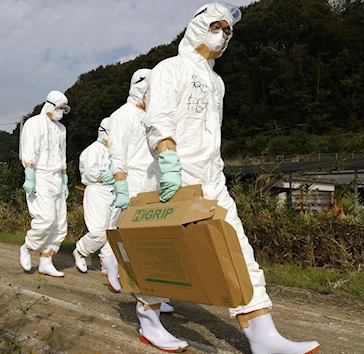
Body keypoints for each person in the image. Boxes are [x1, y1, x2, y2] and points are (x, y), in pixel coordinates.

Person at [142, 2, 320, 353]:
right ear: (197, 26)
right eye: (217, 26)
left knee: (238, 251)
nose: (223, 35)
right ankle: (148, 317)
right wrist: (168, 161)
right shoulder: (169, 69)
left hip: (212, 179)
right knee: (170, 259)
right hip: (176, 177)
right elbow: (157, 118)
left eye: (228, 31)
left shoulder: (217, 82)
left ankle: (262, 335)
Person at [108, 68, 176, 315]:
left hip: (154, 184)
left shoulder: (155, 116)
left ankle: (155, 295)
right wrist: (121, 184)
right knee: (136, 244)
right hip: (135, 184)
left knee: (156, 243)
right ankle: (145, 300)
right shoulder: (122, 116)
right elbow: (118, 152)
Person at [19, 90, 70, 277]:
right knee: (45, 219)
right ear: (49, 105)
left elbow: (62, 154)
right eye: (59, 107)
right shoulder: (33, 123)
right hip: (39, 176)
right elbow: (29, 150)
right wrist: (30, 176)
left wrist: (65, 180)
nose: (61, 111)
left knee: (59, 223)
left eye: (64, 109)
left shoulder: (62, 129)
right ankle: (27, 247)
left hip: (56, 177)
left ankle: (46, 261)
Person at [73, 118, 121, 281]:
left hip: (114, 192)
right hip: (97, 191)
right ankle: (81, 250)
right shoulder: (91, 150)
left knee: (112, 229)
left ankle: (107, 261)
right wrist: (104, 176)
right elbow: (89, 173)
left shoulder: (115, 151)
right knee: (99, 232)